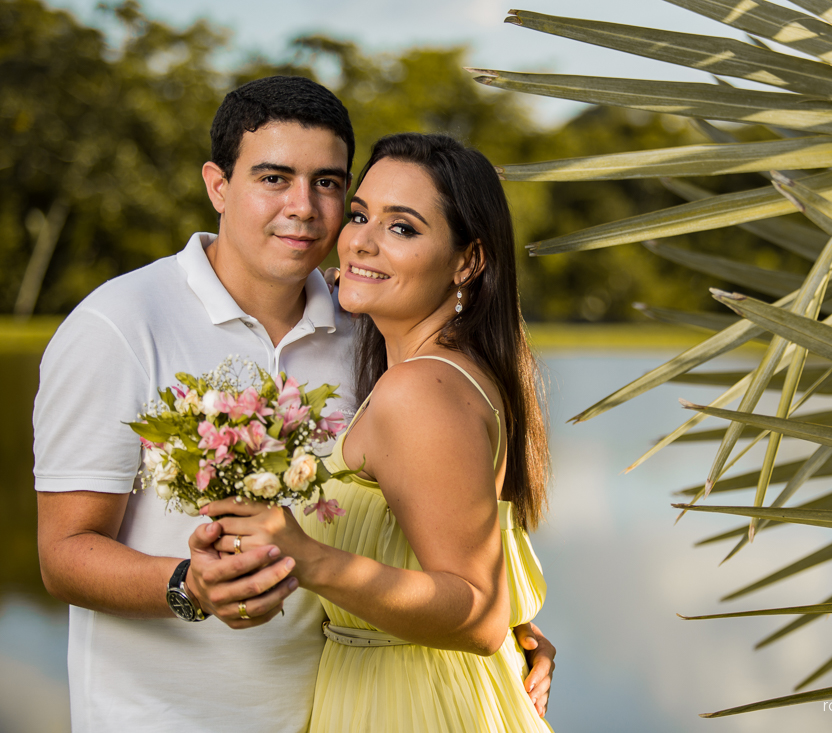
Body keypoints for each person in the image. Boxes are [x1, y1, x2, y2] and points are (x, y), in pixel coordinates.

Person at [33, 77, 554, 733]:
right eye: (274, 178)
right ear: (218, 185)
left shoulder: (368, 325)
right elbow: (65, 552)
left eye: (330, 184)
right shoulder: (120, 325)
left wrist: (504, 623)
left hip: (336, 710)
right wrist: (188, 586)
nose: (305, 207)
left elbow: (431, 512)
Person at [198, 132, 553, 731]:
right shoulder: (442, 371)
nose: (361, 240)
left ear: (468, 261)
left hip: (417, 704)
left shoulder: (422, 389)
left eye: (403, 228)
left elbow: (480, 614)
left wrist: (307, 557)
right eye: (360, 215)